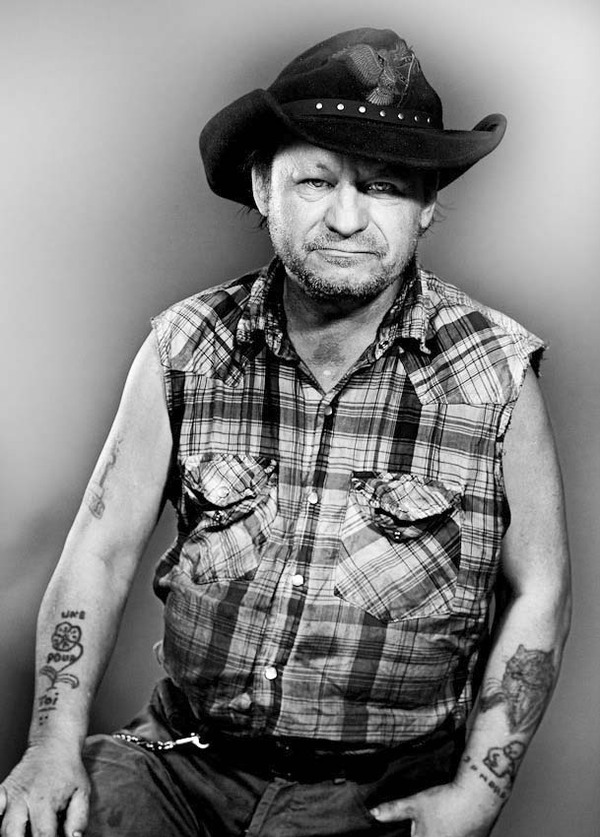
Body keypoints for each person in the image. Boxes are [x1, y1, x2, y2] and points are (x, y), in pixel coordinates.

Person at [0, 26, 570, 837]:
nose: (347, 218)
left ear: (426, 205)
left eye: (382, 186)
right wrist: (51, 742)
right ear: (264, 187)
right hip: (182, 762)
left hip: (374, 790)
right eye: (316, 180)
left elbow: (541, 588)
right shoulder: (185, 345)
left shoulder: (495, 371)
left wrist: (480, 792)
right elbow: (101, 549)